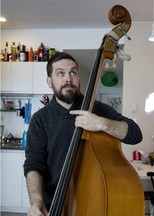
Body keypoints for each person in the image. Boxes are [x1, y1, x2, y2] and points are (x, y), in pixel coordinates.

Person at [23, 52, 143, 216]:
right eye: (61, 73)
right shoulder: (40, 119)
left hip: (94, 202)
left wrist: (100, 123)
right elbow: (33, 164)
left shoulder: (97, 110)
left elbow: (135, 134)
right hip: (53, 204)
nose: (68, 78)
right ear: (49, 81)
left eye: (73, 72)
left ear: (79, 77)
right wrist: (36, 202)